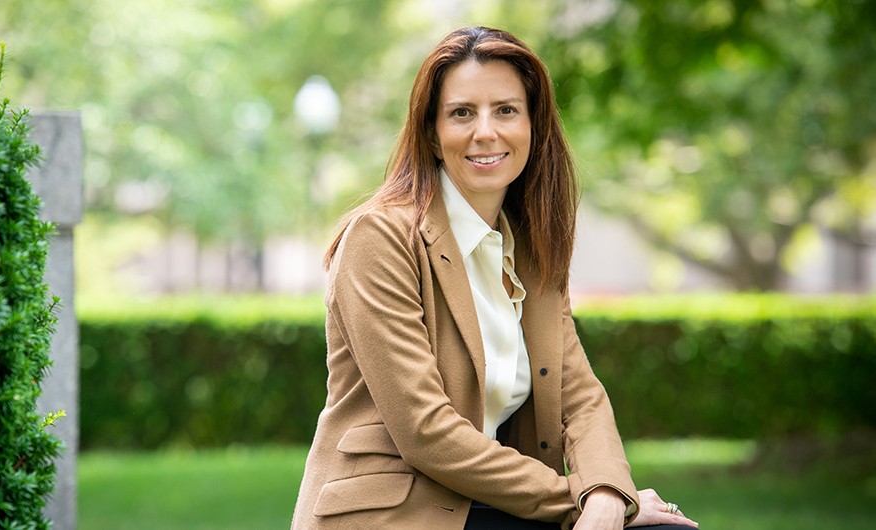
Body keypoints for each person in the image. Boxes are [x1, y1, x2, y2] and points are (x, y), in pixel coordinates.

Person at [292, 26, 699, 530]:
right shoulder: (380, 238)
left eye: (506, 110)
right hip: (394, 512)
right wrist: (578, 503)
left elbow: (581, 399)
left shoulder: (529, 249)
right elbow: (427, 431)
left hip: (484, 506)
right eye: (462, 112)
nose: (485, 131)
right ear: (432, 135)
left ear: (533, 126)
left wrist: (607, 493)